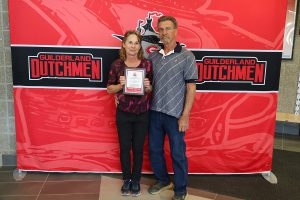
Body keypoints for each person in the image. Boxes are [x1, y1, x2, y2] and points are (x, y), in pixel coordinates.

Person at [147, 16, 198, 200]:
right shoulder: (153, 56)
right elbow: (151, 84)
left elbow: (191, 87)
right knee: (154, 150)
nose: (164, 32)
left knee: (177, 153)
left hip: (175, 115)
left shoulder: (187, 56)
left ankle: (180, 189)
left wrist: (185, 115)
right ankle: (162, 180)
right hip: (154, 112)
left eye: (168, 28)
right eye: (161, 29)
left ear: (176, 30)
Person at [107, 30, 152, 197]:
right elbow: (108, 89)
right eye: (130, 42)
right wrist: (120, 86)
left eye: (136, 42)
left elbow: (150, 88)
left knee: (138, 149)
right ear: (124, 44)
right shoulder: (117, 65)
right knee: (125, 148)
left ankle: (136, 181)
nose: (133, 46)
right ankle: (127, 180)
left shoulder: (147, 65)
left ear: (140, 46)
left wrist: (148, 87)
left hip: (142, 114)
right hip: (124, 113)